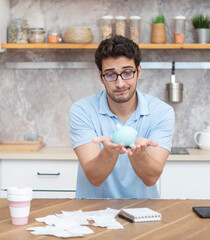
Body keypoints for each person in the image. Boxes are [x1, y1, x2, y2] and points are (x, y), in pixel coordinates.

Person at [68, 35, 175, 198]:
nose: (120, 84)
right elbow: (94, 177)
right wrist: (110, 151)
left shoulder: (161, 112)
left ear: (138, 72)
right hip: (92, 212)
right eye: (110, 75)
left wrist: (137, 152)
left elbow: (151, 178)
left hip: (143, 213)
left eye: (127, 73)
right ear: (101, 77)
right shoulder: (82, 111)